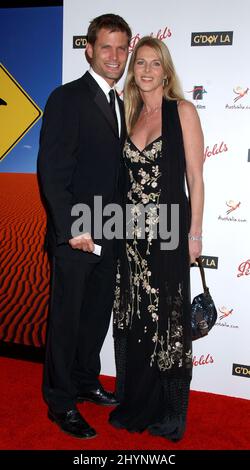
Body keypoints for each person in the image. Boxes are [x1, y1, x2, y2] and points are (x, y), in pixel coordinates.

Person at [37, 14, 132, 439]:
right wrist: (72, 229)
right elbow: (53, 171)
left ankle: (85, 379)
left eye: (121, 48)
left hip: (110, 230)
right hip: (77, 234)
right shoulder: (67, 98)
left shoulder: (123, 102)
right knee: (67, 319)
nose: (115, 56)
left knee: (95, 316)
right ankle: (60, 401)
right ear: (89, 49)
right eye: (106, 47)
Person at [109, 36, 204, 441]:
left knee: (166, 321)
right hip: (131, 236)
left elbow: (196, 178)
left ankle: (167, 411)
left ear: (166, 71)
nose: (146, 71)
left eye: (154, 63)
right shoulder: (130, 114)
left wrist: (194, 234)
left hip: (167, 233)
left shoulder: (181, 111)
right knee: (136, 319)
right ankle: (136, 402)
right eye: (140, 64)